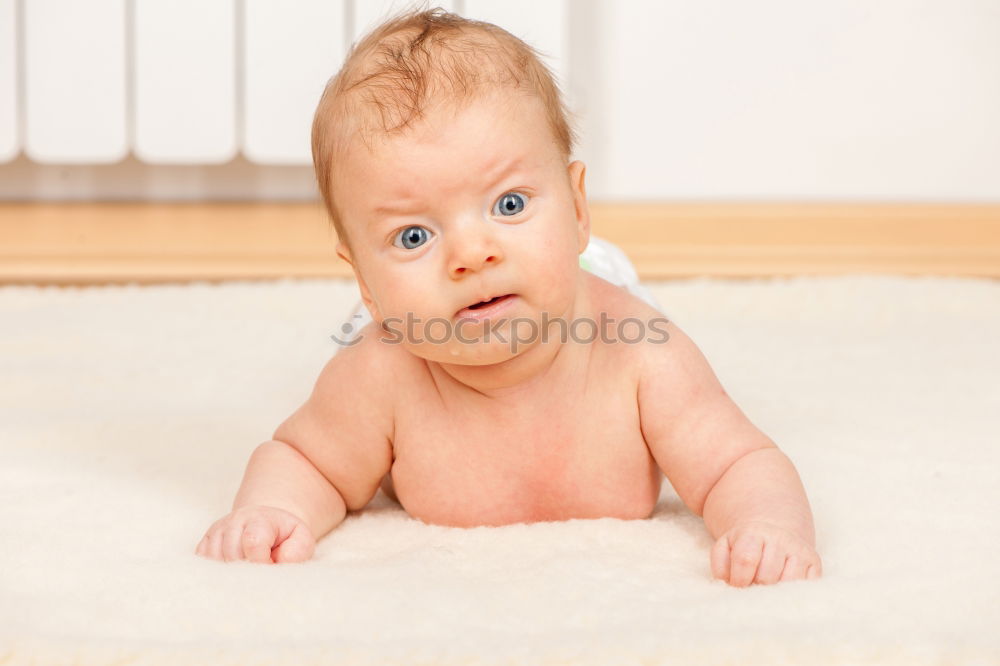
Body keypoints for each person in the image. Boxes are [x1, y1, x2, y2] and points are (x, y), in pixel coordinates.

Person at [196, 7, 821, 588]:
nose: (472, 254)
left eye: (510, 204)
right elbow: (308, 460)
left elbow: (740, 462)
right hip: (418, 317)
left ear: (577, 208)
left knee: (585, 287)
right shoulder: (379, 373)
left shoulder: (641, 355)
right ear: (362, 279)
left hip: (578, 290)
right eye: (413, 234)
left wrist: (765, 525)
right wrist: (270, 512)